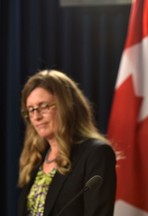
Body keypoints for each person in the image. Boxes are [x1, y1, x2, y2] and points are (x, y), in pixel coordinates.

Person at [18, 70, 116, 216]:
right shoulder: (36, 158)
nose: (36, 117)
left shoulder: (96, 154)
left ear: (66, 105)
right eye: (31, 110)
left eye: (44, 106)